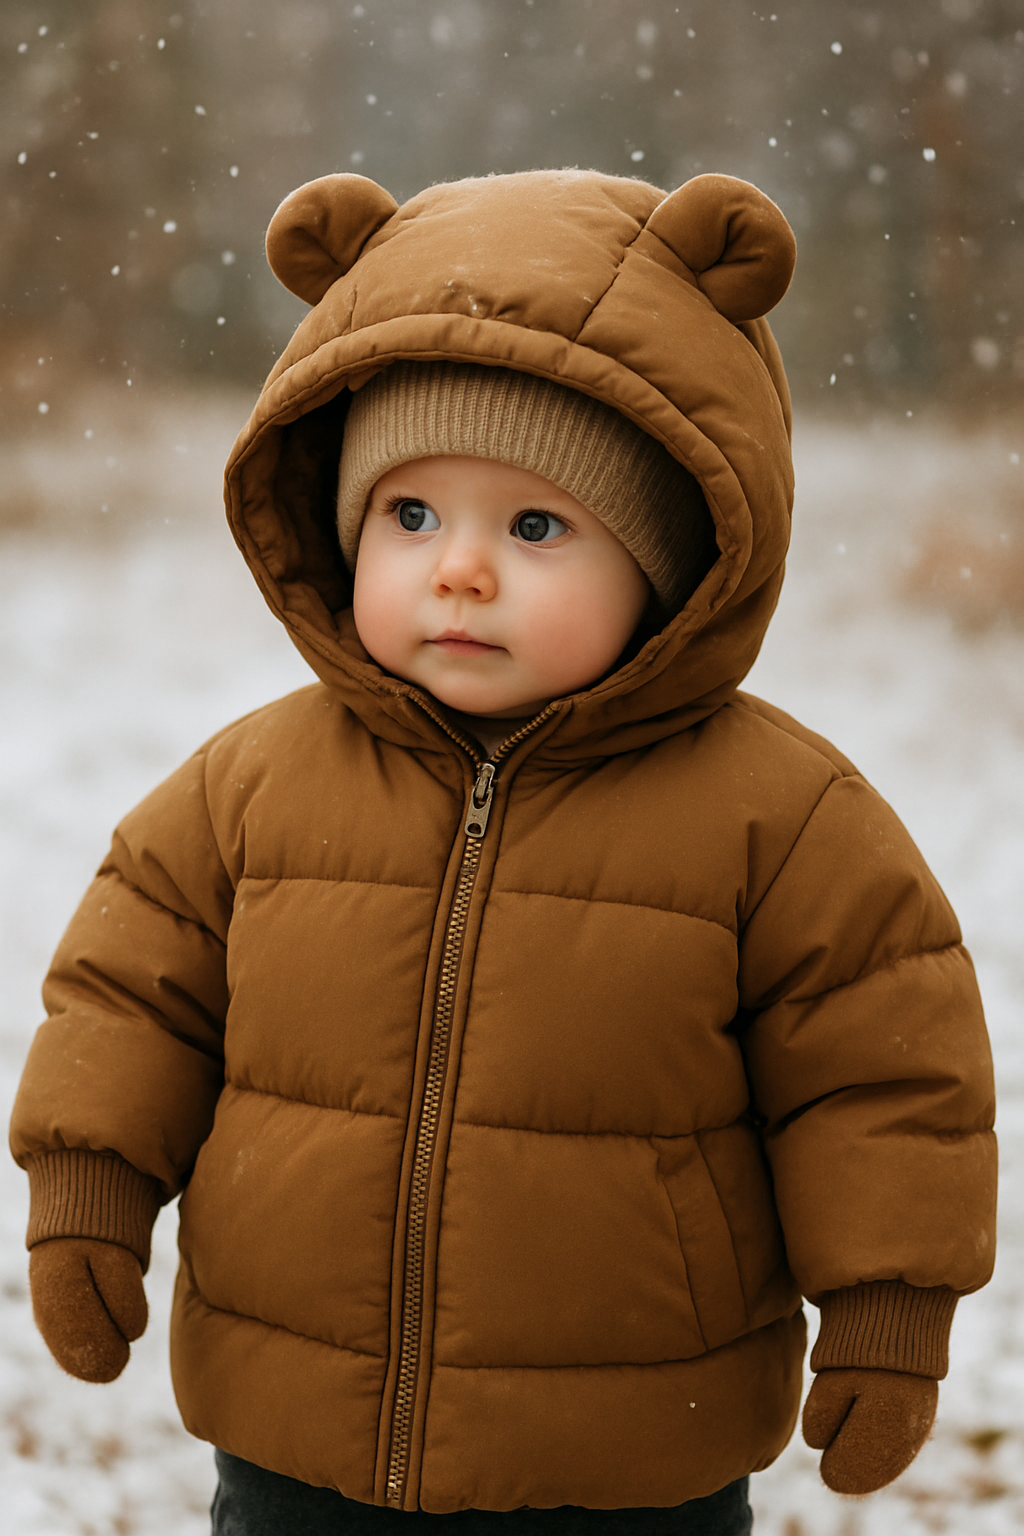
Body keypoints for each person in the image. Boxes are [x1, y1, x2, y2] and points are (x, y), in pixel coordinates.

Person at [9, 169, 996, 1535]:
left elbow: (885, 1076)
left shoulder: (784, 819)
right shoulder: (253, 786)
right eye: (411, 517)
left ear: (672, 561)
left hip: (636, 1454)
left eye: (535, 527)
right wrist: (92, 1186)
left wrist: (890, 1310)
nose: (459, 570)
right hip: (299, 1436)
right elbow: (131, 992)